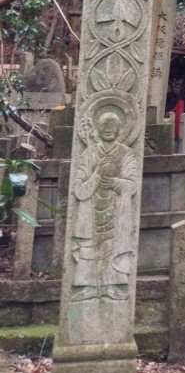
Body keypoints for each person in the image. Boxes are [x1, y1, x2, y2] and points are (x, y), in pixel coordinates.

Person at [71, 110, 138, 301]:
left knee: (112, 246)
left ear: (120, 130)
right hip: (90, 212)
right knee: (89, 249)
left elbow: (132, 186)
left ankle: (111, 285)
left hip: (117, 211)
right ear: (97, 129)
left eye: (113, 126)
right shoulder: (88, 153)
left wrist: (115, 183)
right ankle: (88, 286)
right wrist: (97, 174)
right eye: (104, 126)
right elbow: (79, 191)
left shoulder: (126, 153)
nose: (108, 130)